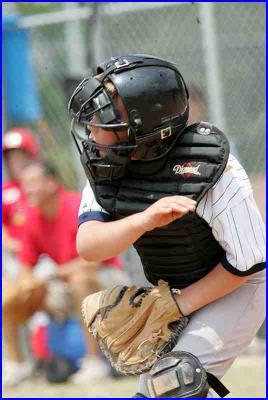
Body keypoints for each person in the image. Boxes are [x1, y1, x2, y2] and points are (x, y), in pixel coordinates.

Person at [68, 54, 266, 398]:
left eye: (109, 115)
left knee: (174, 381)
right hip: (177, 290)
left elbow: (249, 261)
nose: (94, 127)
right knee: (155, 390)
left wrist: (179, 306)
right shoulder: (108, 166)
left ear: (146, 123)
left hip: (242, 287)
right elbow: (89, 245)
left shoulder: (208, 165)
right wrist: (143, 220)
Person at [2, 160, 129, 387]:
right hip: (66, 283)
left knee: (78, 280)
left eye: (32, 182)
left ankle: (94, 362)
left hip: (108, 279)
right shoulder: (33, 216)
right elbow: (25, 267)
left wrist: (50, 275)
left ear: (51, 183)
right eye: (24, 184)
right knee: (10, 294)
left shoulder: (75, 205)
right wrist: (22, 286)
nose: (27, 189)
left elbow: (93, 262)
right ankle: (18, 365)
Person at [2, 127, 40, 277]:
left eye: (20, 157)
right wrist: (8, 243)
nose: (15, 163)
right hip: (14, 253)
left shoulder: (41, 184)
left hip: (41, 252)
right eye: (11, 159)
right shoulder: (5, 190)